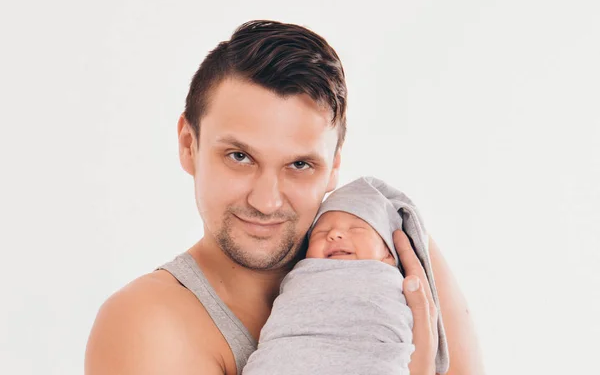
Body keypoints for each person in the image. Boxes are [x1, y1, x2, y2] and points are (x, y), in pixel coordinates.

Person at [85, 20, 485, 375]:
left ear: (333, 167)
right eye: (239, 157)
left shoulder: (385, 239)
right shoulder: (149, 324)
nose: (266, 201)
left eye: (299, 165)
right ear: (189, 145)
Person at [242, 176, 450, 375]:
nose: (334, 234)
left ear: (388, 253)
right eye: (321, 233)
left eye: (356, 229)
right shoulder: (300, 277)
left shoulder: (392, 281)